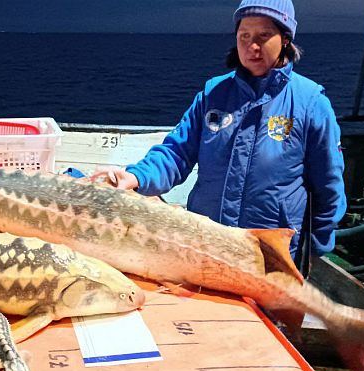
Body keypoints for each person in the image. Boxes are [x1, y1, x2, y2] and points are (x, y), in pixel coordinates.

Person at [91, 0, 346, 264]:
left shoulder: (310, 102)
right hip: (206, 242)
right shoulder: (213, 94)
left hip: (271, 253)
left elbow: (328, 184)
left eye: (263, 35)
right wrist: (136, 176)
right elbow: (176, 153)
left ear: (285, 39)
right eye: (244, 35)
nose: (252, 46)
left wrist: (313, 249)